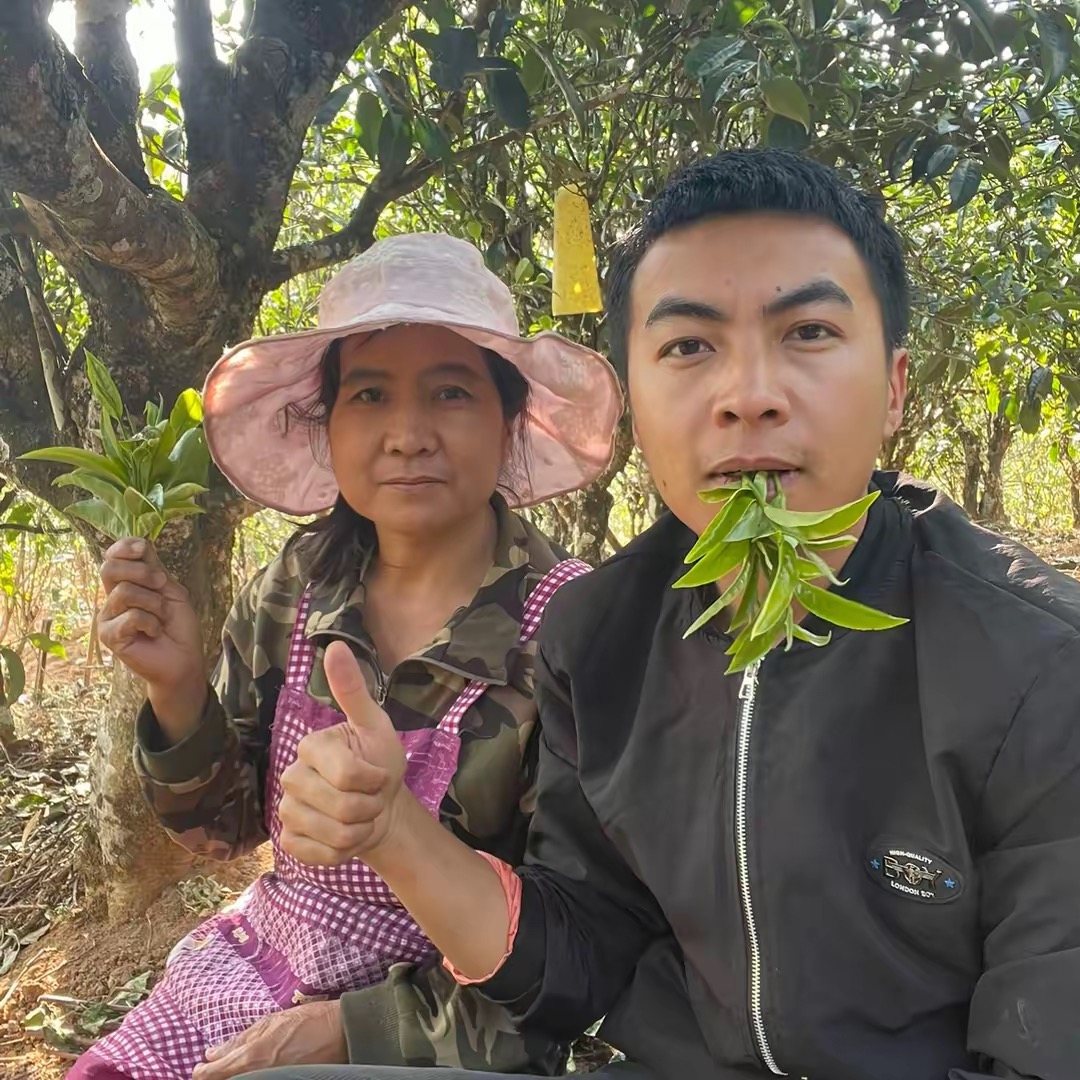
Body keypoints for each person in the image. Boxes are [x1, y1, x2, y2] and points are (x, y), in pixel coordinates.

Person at [246, 150, 1080, 1080]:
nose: (748, 395)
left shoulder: (1037, 664)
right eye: (688, 346)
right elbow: (584, 945)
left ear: (893, 388)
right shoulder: (599, 638)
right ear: (635, 402)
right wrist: (393, 830)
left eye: (808, 331)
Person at [68, 233, 621, 1080]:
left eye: (450, 392)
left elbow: (570, 953)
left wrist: (347, 1029)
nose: (407, 435)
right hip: (257, 966)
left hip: (442, 1031)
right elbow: (227, 831)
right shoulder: (300, 583)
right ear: (327, 426)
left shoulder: (572, 631)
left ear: (510, 420)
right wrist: (178, 690)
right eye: (369, 394)